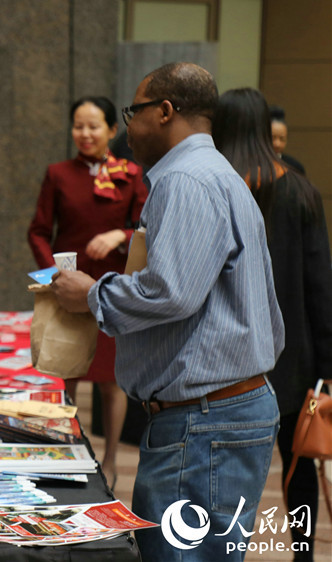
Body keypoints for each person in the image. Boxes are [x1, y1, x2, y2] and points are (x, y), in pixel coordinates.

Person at [51, 62, 284, 561]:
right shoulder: (215, 173)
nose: (126, 128)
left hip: (203, 421)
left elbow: (172, 293)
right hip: (219, 413)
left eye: (132, 112)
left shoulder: (186, 181)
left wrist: (92, 295)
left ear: (164, 112)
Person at [214, 88, 332, 560]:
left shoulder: (216, 187)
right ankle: (303, 554)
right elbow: (321, 285)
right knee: (297, 466)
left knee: (229, 470)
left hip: (228, 358)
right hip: (294, 358)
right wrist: (326, 369)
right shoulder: (300, 190)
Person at [27, 96, 148, 489]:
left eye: (94, 126)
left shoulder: (132, 174)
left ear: (113, 130)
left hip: (113, 288)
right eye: (78, 125)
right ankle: (67, 453)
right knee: (67, 371)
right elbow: (39, 231)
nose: (85, 133)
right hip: (67, 287)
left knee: (112, 379)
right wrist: (53, 278)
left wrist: (121, 235)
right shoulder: (58, 173)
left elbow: (149, 230)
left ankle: (110, 460)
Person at [268, 105, 306, 174]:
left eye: (282, 139)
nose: (277, 144)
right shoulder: (253, 164)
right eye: (273, 138)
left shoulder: (294, 167)